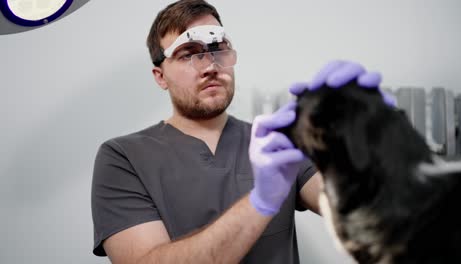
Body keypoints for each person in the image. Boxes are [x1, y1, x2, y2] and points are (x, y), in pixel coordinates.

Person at [91, 0, 383, 263]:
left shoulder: (278, 143)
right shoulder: (124, 157)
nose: (210, 66)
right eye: (187, 54)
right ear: (160, 76)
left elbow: (370, 212)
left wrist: (372, 140)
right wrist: (260, 202)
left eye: (218, 49)